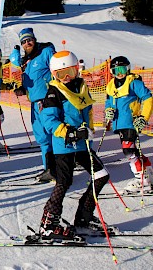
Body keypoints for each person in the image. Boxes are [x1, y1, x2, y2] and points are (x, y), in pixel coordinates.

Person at [39, 50, 110, 239]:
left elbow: (87, 113)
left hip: (83, 144)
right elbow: (49, 120)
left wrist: (89, 130)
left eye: (70, 71)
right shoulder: (54, 92)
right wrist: (69, 132)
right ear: (55, 75)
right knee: (64, 182)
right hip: (64, 145)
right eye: (61, 74)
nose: (67, 77)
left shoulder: (81, 87)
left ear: (77, 69)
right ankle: (48, 224)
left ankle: (83, 218)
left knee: (101, 175)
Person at [105, 56, 153, 193]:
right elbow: (108, 102)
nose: (120, 73)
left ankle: (141, 179)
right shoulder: (111, 85)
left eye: (123, 69)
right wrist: (108, 110)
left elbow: (148, 98)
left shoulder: (133, 83)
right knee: (133, 150)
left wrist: (143, 117)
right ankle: (148, 172)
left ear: (128, 69)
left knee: (128, 150)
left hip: (131, 122)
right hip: (119, 123)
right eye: (116, 70)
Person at [14, 27, 56, 182]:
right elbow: (31, 82)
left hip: (48, 101)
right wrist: (22, 89)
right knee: (42, 137)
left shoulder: (45, 52)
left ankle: (59, 167)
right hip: (35, 103)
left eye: (29, 40)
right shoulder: (26, 61)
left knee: (53, 134)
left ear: (34, 39)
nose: (27, 43)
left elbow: (57, 71)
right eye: (24, 42)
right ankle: (49, 168)